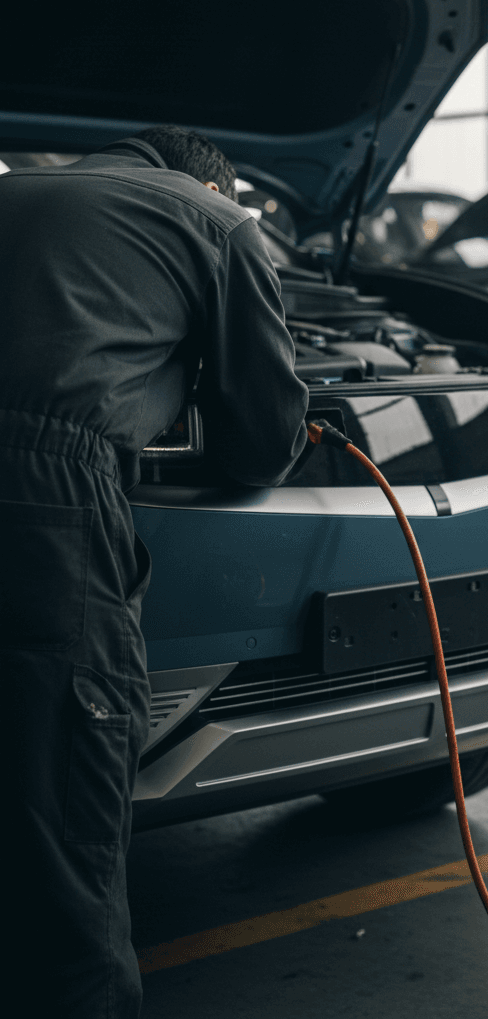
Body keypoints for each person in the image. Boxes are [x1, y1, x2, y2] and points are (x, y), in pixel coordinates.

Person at [0, 125, 309, 1016]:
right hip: (46, 502)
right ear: (212, 180)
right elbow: (260, 444)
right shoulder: (215, 221)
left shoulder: (15, 193)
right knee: (70, 805)